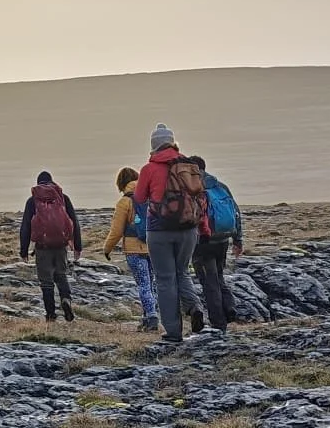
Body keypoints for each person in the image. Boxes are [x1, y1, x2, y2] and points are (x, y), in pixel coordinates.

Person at [133, 125, 206, 345]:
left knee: (165, 279)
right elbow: (200, 198)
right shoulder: (189, 165)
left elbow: (138, 197)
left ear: (153, 145)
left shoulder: (149, 169)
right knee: (182, 272)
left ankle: (174, 332)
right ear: (172, 141)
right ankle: (194, 306)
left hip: (159, 229)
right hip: (188, 229)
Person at [188, 155, 243, 332]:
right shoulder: (220, 186)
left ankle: (218, 323)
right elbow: (236, 212)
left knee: (209, 282)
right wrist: (237, 239)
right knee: (218, 276)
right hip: (223, 239)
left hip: (202, 241)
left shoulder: (193, 188)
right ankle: (229, 306)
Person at [19, 171, 81, 323]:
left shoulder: (32, 201)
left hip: (42, 247)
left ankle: (51, 314)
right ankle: (66, 299)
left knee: (46, 281)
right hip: (61, 245)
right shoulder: (63, 198)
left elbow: (25, 226)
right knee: (61, 275)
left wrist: (24, 250)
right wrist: (77, 246)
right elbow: (74, 222)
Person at [103, 166, 159, 331]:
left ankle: (151, 316)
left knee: (143, 284)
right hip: (154, 246)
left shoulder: (124, 202)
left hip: (134, 250)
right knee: (152, 283)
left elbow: (116, 231)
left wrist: (107, 249)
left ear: (121, 184)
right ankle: (148, 316)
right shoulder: (151, 197)